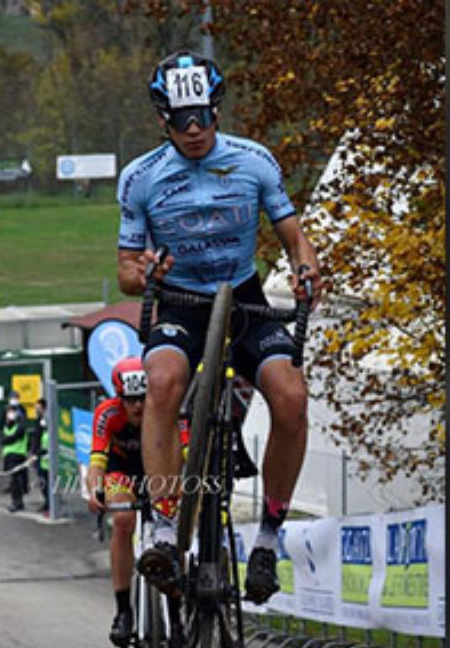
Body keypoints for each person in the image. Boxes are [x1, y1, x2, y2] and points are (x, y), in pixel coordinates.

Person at [117, 51, 327, 605]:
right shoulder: (140, 178)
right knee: (161, 384)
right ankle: (164, 527)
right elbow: (126, 272)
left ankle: (266, 538)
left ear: (216, 110)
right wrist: (146, 274)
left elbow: (292, 235)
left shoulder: (254, 161)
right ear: (162, 118)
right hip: (182, 302)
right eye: (181, 120)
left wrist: (306, 265)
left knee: (290, 396)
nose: (194, 130)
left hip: (244, 297)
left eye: (204, 117)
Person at [86, 358, 183, 648]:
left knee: (172, 527)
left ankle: (177, 619)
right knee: (124, 519)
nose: (139, 406)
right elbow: (96, 462)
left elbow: (186, 461)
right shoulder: (107, 414)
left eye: (143, 398)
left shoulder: (167, 411)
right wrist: (95, 490)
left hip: (160, 470)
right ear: (119, 397)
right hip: (123, 471)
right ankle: (123, 610)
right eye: (130, 400)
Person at [0, 395, 34, 513]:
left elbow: (16, 436)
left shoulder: (20, 424)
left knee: (16, 480)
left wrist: (5, 440)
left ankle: (17, 501)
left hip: (18, 454)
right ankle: (17, 500)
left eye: (11, 411)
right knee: (14, 480)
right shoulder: (7, 425)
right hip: (9, 455)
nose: (8, 414)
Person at [33, 399, 50, 512]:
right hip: (40, 455)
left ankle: (50, 503)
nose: (36, 409)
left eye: (38, 407)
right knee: (42, 480)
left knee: (48, 481)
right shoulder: (39, 420)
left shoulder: (49, 420)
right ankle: (47, 502)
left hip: (47, 455)